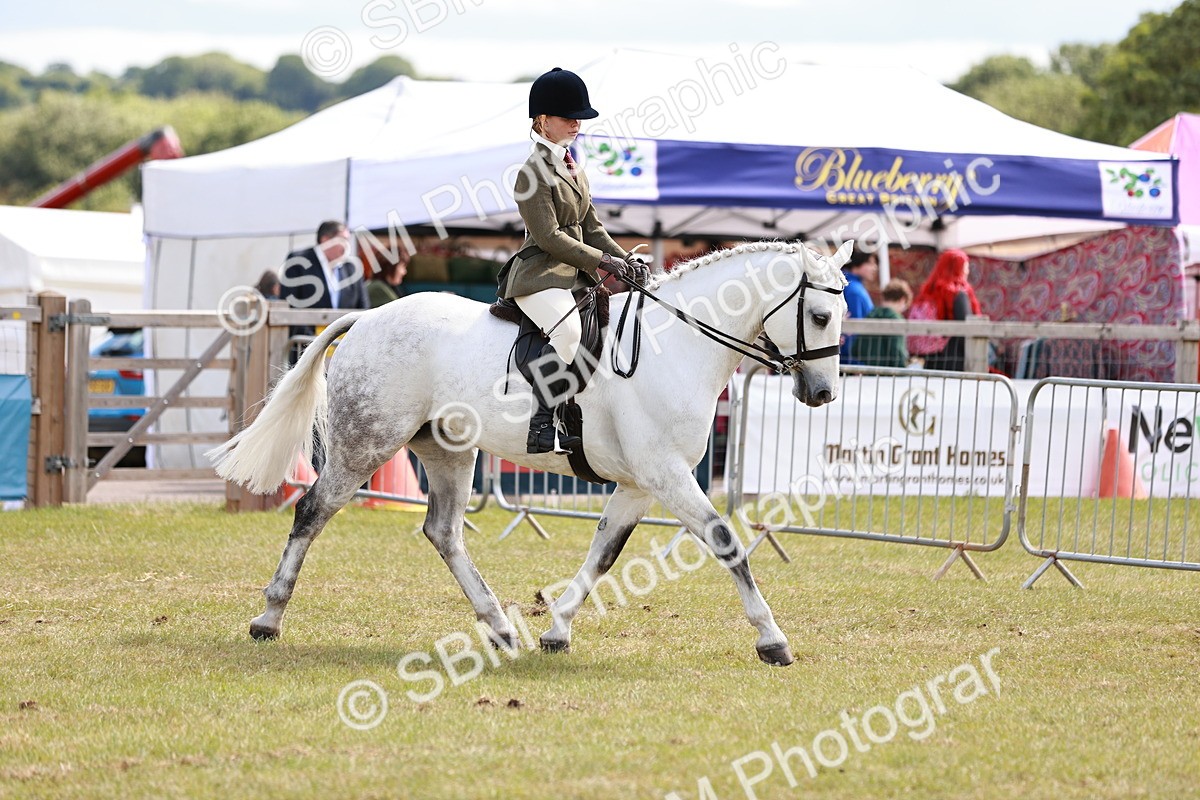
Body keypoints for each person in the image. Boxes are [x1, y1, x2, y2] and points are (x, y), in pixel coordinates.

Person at [496, 67, 638, 455]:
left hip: (574, 274)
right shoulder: (531, 173)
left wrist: (625, 258)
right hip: (539, 275)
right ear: (542, 120)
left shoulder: (575, 168)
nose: (577, 123)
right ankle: (541, 423)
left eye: (579, 117)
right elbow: (549, 237)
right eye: (568, 117)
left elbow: (592, 228)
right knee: (568, 332)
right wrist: (602, 260)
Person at [278, 220, 369, 343]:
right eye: (342, 240)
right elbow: (290, 305)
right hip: (306, 344)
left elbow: (363, 307)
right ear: (325, 240)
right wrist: (315, 342)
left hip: (344, 346)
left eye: (348, 240)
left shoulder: (351, 268)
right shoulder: (298, 262)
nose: (347, 246)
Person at [911, 249, 982, 372]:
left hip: (930, 360)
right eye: (965, 267)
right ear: (958, 269)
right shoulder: (959, 294)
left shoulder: (929, 293)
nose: (967, 271)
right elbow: (967, 330)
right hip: (954, 359)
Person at [850, 279, 912, 368]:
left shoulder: (870, 315)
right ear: (902, 300)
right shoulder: (897, 320)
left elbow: (855, 349)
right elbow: (897, 353)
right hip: (888, 372)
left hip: (866, 370)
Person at [840, 245, 878, 361]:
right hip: (852, 359)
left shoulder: (852, 286)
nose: (875, 267)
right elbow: (853, 328)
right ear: (857, 263)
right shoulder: (853, 290)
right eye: (870, 263)